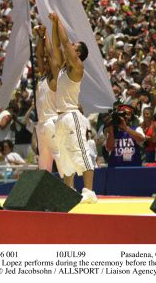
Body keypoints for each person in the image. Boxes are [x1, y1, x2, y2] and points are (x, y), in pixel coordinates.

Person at [49, 12, 97, 203]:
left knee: (81, 153)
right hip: (60, 117)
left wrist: (60, 20)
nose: (70, 46)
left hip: (71, 116)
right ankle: (69, 190)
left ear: (78, 54)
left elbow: (65, 42)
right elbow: (55, 49)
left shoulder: (77, 67)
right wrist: (54, 25)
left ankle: (89, 192)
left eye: (74, 47)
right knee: (65, 157)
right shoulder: (64, 68)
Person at [34, 24, 60, 172]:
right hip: (42, 124)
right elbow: (39, 55)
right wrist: (39, 37)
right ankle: (45, 192)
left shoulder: (55, 78)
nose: (45, 62)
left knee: (61, 159)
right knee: (44, 166)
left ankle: (70, 190)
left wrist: (45, 36)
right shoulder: (43, 77)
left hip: (53, 122)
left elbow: (50, 55)